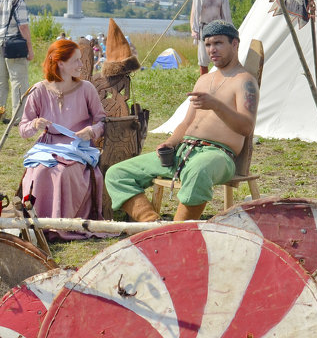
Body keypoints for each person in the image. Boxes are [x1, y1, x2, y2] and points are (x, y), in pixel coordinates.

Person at [105, 20, 258, 222]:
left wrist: (216, 105)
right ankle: (153, 225)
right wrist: (170, 142)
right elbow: (186, 124)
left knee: (199, 170)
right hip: (183, 151)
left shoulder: (244, 81)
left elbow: (246, 127)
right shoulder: (204, 80)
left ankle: (177, 231)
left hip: (217, 155)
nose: (212, 50)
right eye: (208, 45)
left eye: (218, 43)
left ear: (235, 44)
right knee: (117, 173)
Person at [19, 39, 107, 240]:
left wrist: (91, 131)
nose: (81, 65)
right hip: (47, 148)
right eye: (75, 61)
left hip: (77, 149)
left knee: (62, 174)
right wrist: (34, 125)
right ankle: (39, 228)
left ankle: (62, 227)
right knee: (39, 172)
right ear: (60, 63)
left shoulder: (86, 89)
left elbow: (102, 121)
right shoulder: (39, 90)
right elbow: (23, 129)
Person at [189, 0, 230, 75]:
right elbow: (194, 15)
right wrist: (194, 30)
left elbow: (226, 16)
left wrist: (229, 30)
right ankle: (204, 83)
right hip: (204, 29)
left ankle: (221, 80)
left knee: (221, 56)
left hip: (218, 29)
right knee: (203, 60)